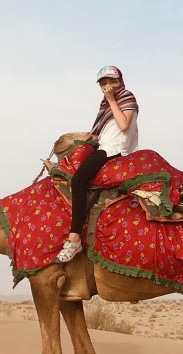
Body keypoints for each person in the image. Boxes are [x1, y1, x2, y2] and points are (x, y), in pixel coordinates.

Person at [56, 65, 140, 263]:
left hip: (115, 150)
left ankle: (74, 238)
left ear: (121, 82)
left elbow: (124, 125)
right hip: (104, 146)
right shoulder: (106, 104)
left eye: (112, 81)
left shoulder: (127, 98)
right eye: (103, 83)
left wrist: (111, 99)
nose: (108, 86)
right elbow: (100, 131)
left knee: (78, 181)